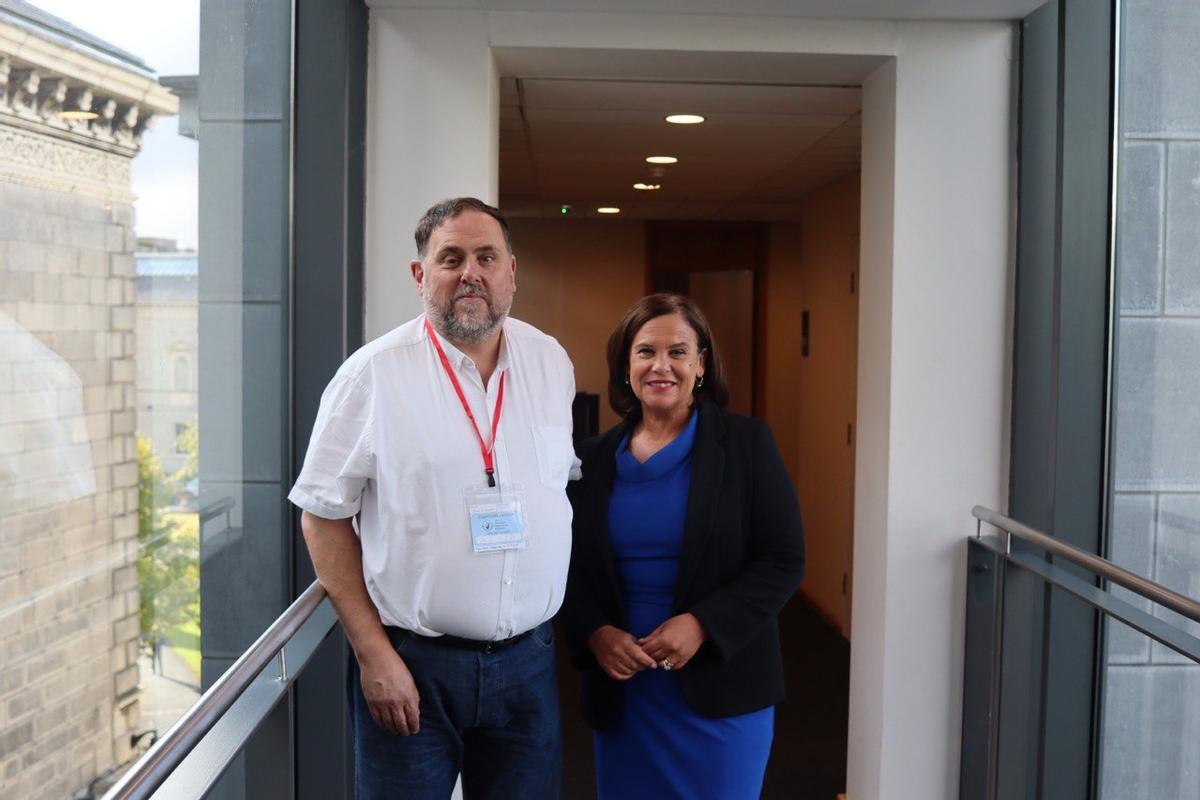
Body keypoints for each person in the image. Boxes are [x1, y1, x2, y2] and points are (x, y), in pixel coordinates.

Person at [289, 198, 578, 799]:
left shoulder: (550, 362)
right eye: (451, 258)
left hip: (529, 665)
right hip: (414, 669)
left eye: (485, 257)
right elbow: (321, 517)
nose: (470, 272)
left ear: (511, 273)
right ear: (421, 276)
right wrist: (374, 655)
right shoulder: (371, 375)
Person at [562, 293, 806, 800]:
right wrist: (596, 633)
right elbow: (566, 567)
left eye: (678, 352)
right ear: (625, 365)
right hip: (625, 692)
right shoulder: (590, 459)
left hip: (722, 685)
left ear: (701, 364)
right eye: (645, 351)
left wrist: (702, 625)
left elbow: (783, 559)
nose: (661, 366)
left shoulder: (746, 445)